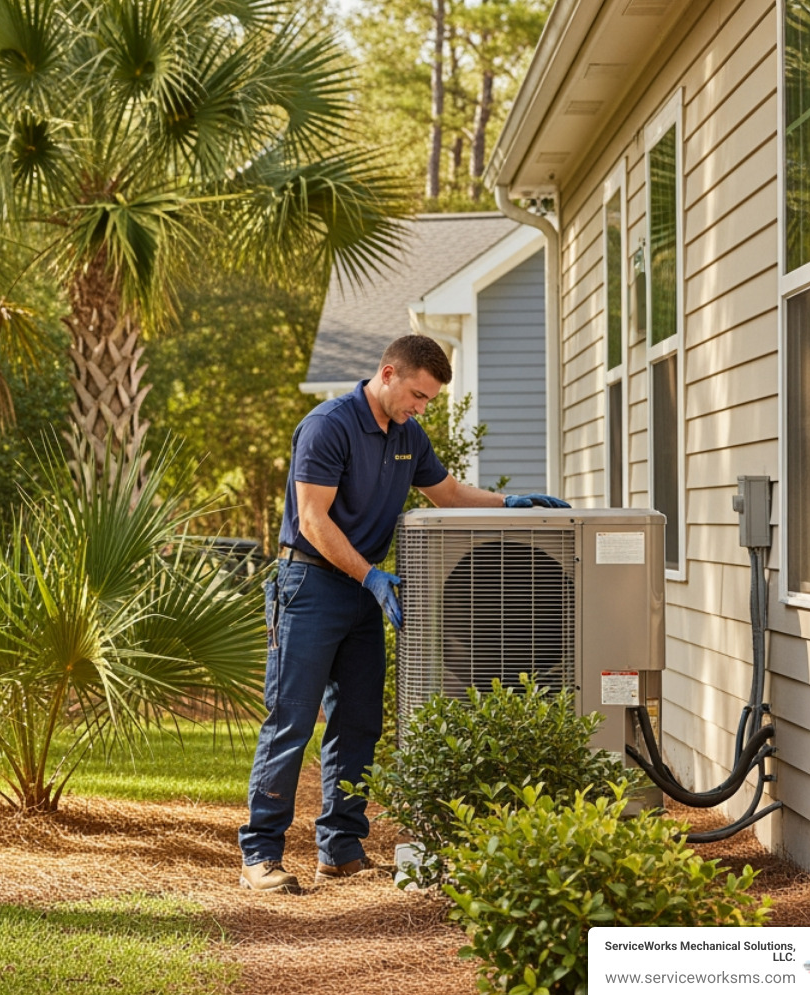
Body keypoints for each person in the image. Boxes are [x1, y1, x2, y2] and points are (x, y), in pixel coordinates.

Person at [237, 334, 569, 893]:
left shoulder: (408, 435)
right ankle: (260, 856)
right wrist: (369, 575)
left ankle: (339, 847)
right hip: (311, 585)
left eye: (430, 400)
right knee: (291, 719)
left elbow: (449, 494)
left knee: (360, 720)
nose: (422, 407)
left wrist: (509, 504)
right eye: (418, 394)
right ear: (388, 374)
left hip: (364, 588)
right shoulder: (329, 425)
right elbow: (314, 521)